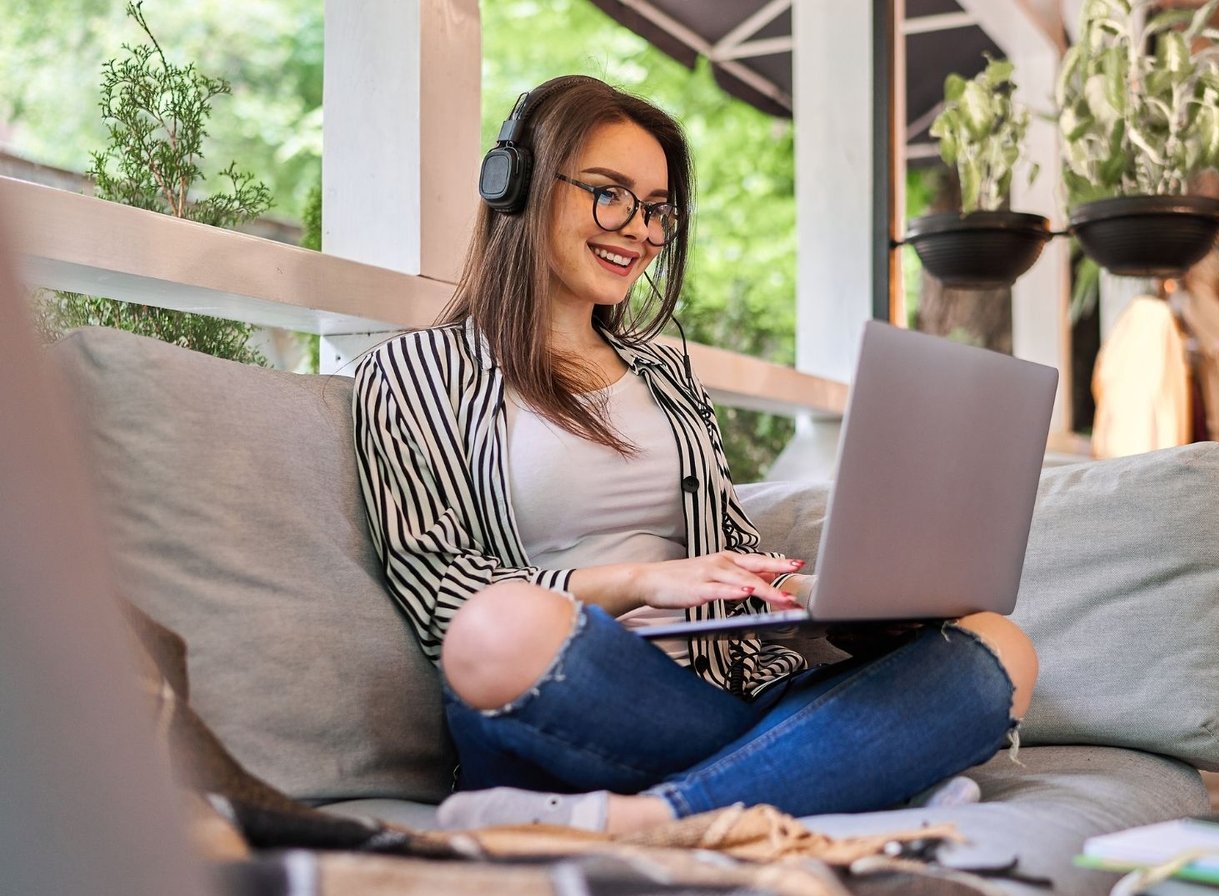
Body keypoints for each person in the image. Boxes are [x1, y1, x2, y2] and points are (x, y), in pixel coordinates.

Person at [352, 75, 1038, 835]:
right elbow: (442, 595)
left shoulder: (665, 375)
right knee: (499, 627)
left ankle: (652, 817)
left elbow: (728, 556)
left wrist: (825, 601)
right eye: (610, 193)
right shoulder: (411, 372)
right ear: (516, 186)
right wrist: (640, 579)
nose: (640, 231)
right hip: (575, 691)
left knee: (998, 648)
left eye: (657, 210)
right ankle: (850, 772)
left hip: (723, 693)